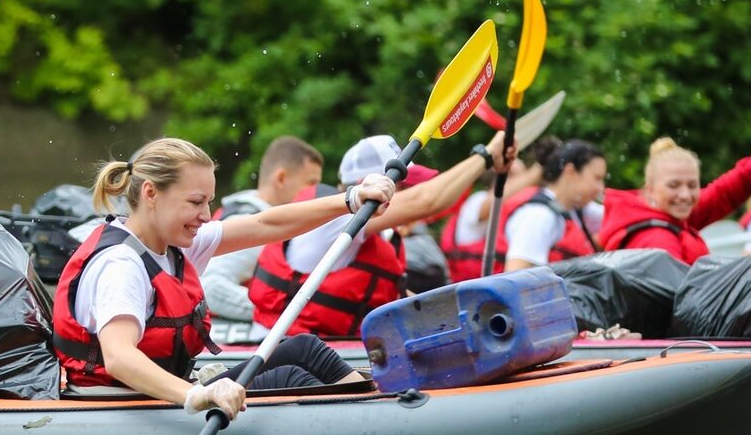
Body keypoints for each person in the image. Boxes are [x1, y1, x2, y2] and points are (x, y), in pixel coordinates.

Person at [50, 137, 395, 419]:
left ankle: (382, 410)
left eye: (208, 202)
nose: (204, 215)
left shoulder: (173, 243)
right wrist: (197, 394)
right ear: (151, 194)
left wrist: (350, 200)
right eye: (196, 202)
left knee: (304, 349)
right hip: (122, 406)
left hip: (158, 396)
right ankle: (373, 424)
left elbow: (267, 224)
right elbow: (119, 358)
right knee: (292, 378)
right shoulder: (121, 264)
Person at [249, 131, 516, 338]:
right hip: (286, 352)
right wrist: (486, 156)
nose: (405, 195)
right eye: (402, 187)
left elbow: (395, 299)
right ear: (370, 185)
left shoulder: (369, 235)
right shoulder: (335, 218)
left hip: (331, 349)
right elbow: (427, 201)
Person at [200, 136, 325, 330]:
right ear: (281, 178)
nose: (315, 193)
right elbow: (210, 288)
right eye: (311, 183)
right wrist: (284, 313)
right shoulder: (253, 230)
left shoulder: (244, 214)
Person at [597, 135, 751, 263]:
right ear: (650, 189)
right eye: (673, 185)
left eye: (692, 185)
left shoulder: (666, 215)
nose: (685, 195)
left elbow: (719, 195)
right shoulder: (657, 239)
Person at [437, 135, 561, 282]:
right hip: (471, 291)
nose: (526, 184)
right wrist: (538, 170)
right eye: (519, 177)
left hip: (495, 288)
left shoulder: (523, 211)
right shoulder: (477, 202)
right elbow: (495, 201)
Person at [502, 139, 607, 271]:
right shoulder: (538, 217)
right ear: (571, 172)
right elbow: (513, 277)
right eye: (597, 178)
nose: (601, 188)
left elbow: (618, 219)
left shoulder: (575, 209)